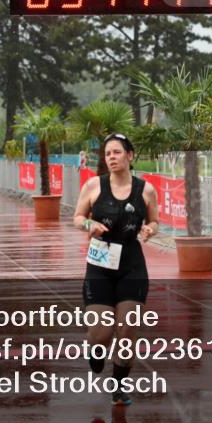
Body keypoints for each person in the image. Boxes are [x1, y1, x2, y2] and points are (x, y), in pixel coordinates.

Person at [73, 133, 160, 407]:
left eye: (117, 152)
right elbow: (76, 218)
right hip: (100, 263)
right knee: (101, 333)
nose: (111, 157)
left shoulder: (145, 190)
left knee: (127, 332)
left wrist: (149, 229)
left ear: (130, 156)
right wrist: (89, 225)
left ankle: (119, 386)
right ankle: (96, 350)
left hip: (131, 265)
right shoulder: (93, 186)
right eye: (107, 153)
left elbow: (156, 221)